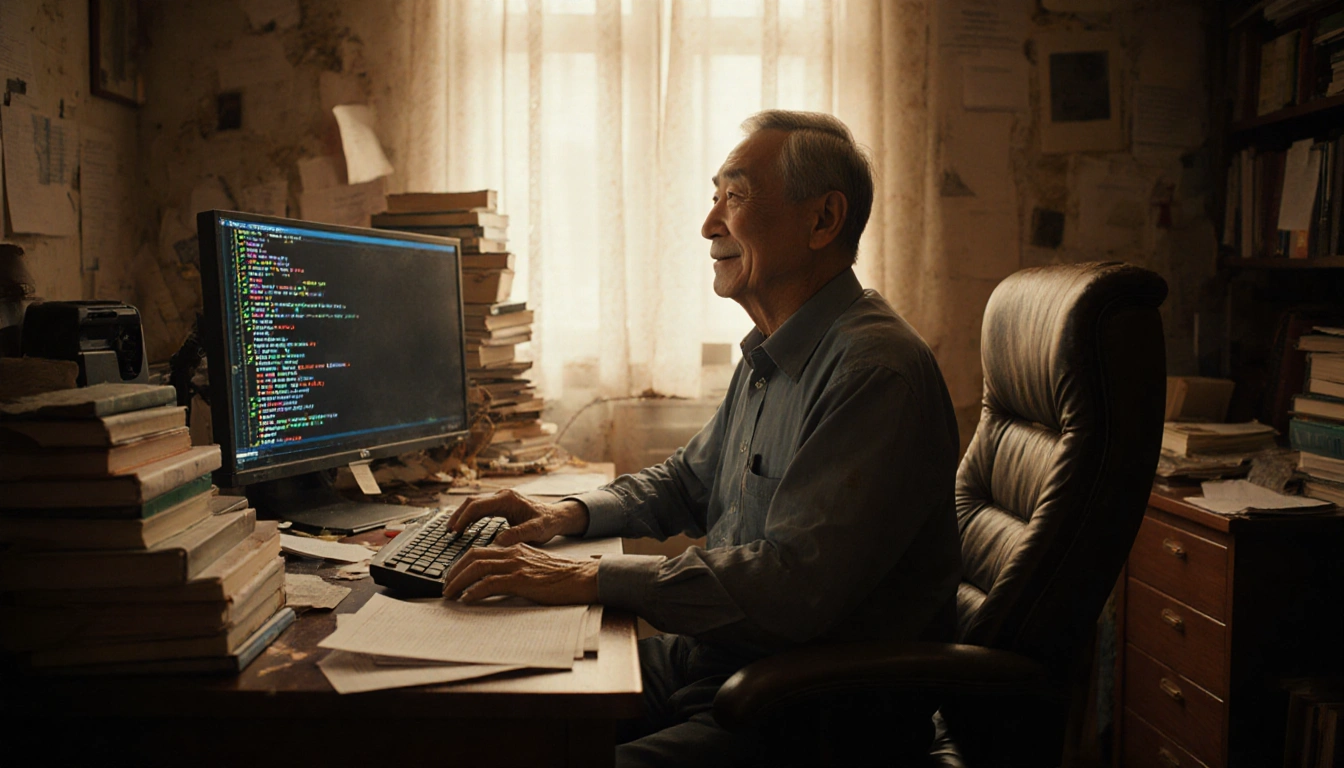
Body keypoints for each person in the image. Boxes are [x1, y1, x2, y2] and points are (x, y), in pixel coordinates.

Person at [443, 110, 962, 767]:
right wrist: (565, 515)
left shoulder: (875, 371)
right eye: (714, 197)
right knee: (481, 708)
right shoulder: (773, 349)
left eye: (735, 198)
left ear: (823, 220)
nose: (709, 225)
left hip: (810, 713)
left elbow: (792, 584)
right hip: (717, 667)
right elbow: (687, 482)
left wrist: (590, 577)